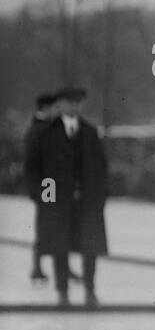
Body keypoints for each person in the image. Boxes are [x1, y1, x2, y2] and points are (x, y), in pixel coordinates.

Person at [24, 86, 108, 308]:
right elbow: (35, 168)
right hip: (58, 204)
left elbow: (101, 168)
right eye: (69, 102)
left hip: (86, 203)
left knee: (89, 248)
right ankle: (63, 292)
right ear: (60, 105)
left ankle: (90, 291)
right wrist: (46, 198)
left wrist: (98, 198)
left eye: (78, 102)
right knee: (59, 248)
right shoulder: (46, 133)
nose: (74, 107)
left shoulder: (90, 133)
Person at [22, 92, 58, 283]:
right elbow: (32, 163)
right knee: (46, 226)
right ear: (45, 107)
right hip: (46, 185)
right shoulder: (38, 129)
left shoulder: (43, 127)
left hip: (49, 185)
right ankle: (38, 267)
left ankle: (46, 267)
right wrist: (39, 190)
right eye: (54, 107)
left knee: (53, 226)